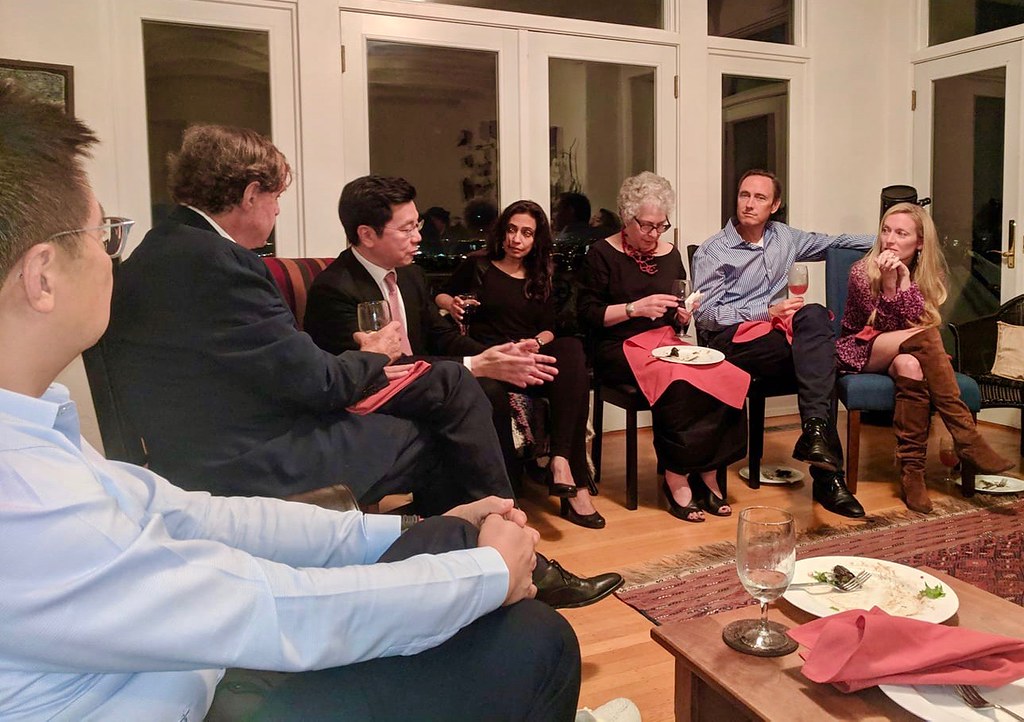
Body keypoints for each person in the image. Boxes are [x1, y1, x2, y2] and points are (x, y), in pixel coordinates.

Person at [0, 82, 581, 721]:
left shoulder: (44, 430)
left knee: (446, 443)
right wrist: (483, 576)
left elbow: (195, 518)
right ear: (43, 275)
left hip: (224, 474)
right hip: (247, 491)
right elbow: (271, 609)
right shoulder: (25, 498)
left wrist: (417, 531)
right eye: (103, 235)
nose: (114, 258)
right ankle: (510, 557)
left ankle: (481, 540)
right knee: (532, 622)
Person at [302, 175, 624, 598]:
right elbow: (384, 373)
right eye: (407, 228)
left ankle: (490, 543)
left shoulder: (411, 277)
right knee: (473, 384)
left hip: (428, 390)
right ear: (366, 234)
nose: (419, 235)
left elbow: (441, 337)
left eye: (418, 224)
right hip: (374, 401)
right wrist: (476, 364)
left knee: (486, 382)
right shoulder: (336, 290)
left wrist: (498, 356)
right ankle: (516, 548)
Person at [692, 168, 874, 518]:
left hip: (775, 338)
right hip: (733, 343)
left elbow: (835, 243)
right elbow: (707, 317)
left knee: (815, 315)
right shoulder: (713, 251)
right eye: (745, 195)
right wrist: (765, 310)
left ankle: (815, 435)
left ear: (774, 205)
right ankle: (829, 479)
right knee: (822, 359)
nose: (749, 204)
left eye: (760, 197)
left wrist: (890, 239)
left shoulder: (785, 238)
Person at [579, 172, 747, 522]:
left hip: (665, 342)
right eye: (647, 226)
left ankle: (709, 470)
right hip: (618, 346)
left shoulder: (669, 254)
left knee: (723, 371)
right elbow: (586, 314)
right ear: (627, 218)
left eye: (661, 226)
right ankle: (676, 475)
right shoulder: (601, 254)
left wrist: (683, 315)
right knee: (678, 378)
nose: (655, 234)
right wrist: (634, 309)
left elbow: (676, 318)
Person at [836, 202, 1012, 512]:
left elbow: (917, 326)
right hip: (862, 348)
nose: (890, 239)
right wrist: (890, 283)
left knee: (911, 365)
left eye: (901, 233)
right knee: (925, 338)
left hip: (908, 351)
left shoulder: (933, 274)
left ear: (919, 242)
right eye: (886, 231)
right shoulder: (862, 272)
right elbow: (888, 327)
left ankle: (912, 475)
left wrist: (905, 281)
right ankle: (966, 437)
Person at [437, 200, 604, 528]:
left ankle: (560, 462)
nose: (517, 239)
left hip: (528, 355)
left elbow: (551, 328)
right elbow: (441, 296)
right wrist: (452, 304)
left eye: (526, 233)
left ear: (536, 239)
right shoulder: (479, 265)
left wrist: (536, 344)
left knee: (570, 351)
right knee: (514, 381)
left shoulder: (543, 273)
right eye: (512, 230)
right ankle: (558, 490)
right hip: (493, 360)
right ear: (502, 231)